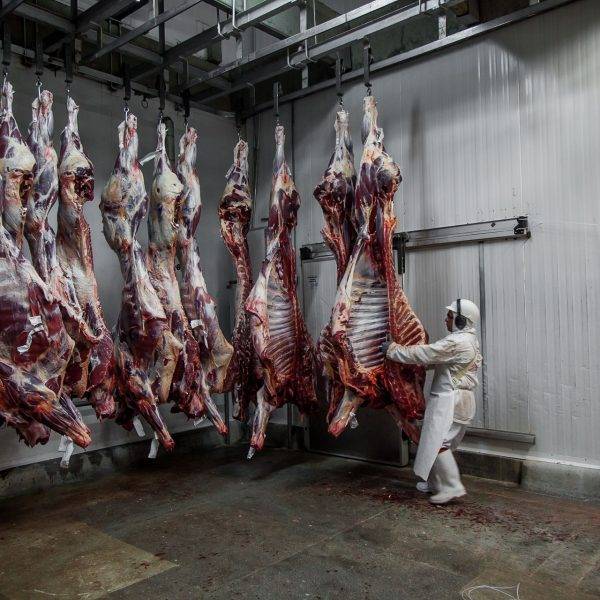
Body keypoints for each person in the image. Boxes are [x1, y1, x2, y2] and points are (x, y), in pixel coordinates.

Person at [382, 299, 482, 505]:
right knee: (433, 442)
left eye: (450, 316)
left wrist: (392, 350)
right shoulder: (468, 340)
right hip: (455, 399)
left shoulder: (456, 342)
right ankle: (435, 483)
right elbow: (442, 362)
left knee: (438, 445)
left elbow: (425, 353)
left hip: (450, 401)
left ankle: (452, 487)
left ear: (461, 321)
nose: (446, 319)